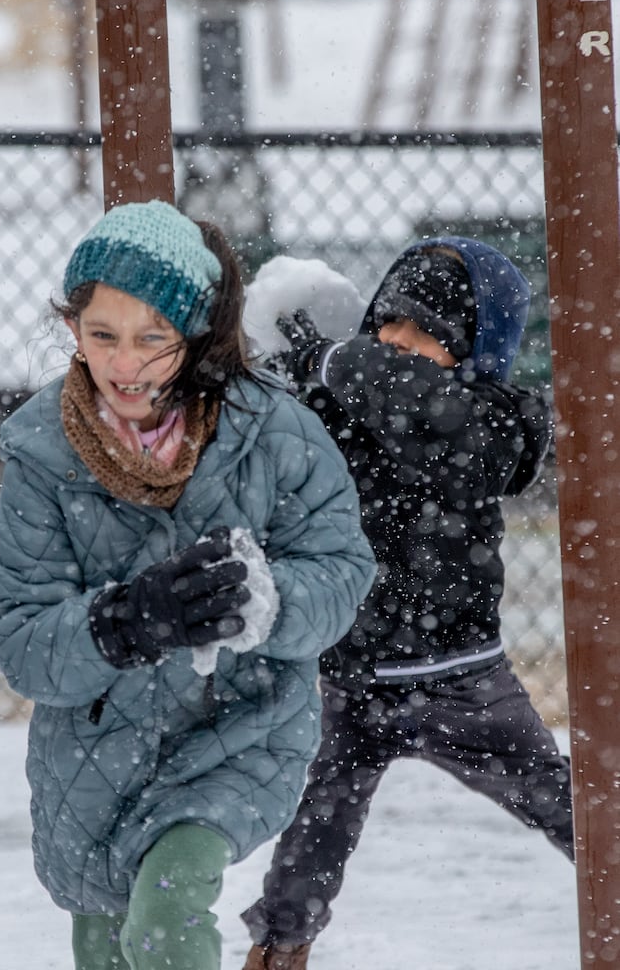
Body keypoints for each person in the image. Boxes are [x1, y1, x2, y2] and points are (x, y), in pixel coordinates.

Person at [0, 200, 376, 970]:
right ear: (72, 331)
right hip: (97, 753)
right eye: (103, 336)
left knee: (164, 914)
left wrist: (269, 599)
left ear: (195, 336)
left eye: (151, 338)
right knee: (107, 940)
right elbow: (22, 638)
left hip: (242, 729)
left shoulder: (278, 434)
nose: (124, 364)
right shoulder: (41, 457)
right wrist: (124, 622)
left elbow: (340, 568)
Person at [239, 238, 574, 970]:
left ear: (479, 352)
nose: (398, 341)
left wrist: (334, 360)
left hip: (461, 676)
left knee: (569, 807)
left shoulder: (497, 417)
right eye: (388, 321)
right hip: (347, 677)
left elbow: (424, 408)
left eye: (429, 333)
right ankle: (277, 950)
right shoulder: (347, 399)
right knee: (308, 845)